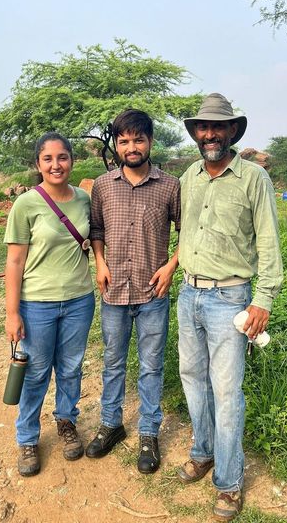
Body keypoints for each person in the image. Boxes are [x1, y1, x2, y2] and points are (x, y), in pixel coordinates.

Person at [177, 93, 283, 521]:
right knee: (192, 379)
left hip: (230, 298)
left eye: (217, 127)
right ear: (196, 134)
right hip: (189, 294)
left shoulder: (254, 178)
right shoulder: (189, 176)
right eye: (203, 127)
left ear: (232, 131)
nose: (209, 134)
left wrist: (264, 298)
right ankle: (202, 453)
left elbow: (270, 241)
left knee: (226, 392)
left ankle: (228, 482)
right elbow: (185, 233)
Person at [86, 109, 180, 474]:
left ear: (150, 142)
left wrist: (171, 266)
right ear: (117, 144)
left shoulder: (170, 186)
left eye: (138, 139)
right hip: (113, 292)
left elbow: (187, 231)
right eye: (124, 140)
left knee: (151, 366)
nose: (131, 146)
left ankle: (148, 434)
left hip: (152, 293)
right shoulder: (103, 185)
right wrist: (100, 262)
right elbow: (96, 229)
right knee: (112, 362)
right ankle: (111, 425)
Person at [4, 132, 95, 477]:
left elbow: (93, 240)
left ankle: (67, 422)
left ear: (72, 161)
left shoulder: (84, 199)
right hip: (37, 303)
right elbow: (13, 262)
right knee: (36, 373)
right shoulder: (25, 204)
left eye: (62, 158)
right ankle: (27, 438)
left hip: (79, 300)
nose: (56, 165)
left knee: (71, 367)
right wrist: (12, 313)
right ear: (38, 164)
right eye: (48, 159)